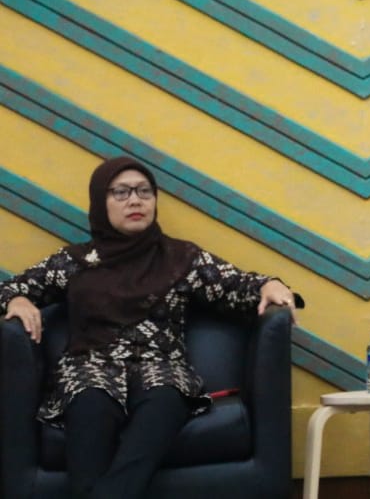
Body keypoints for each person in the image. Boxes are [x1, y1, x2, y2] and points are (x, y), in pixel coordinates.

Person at [0, 155, 297, 499]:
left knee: (163, 400)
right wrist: (17, 300)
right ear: (100, 201)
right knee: (90, 405)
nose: (135, 200)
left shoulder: (182, 259)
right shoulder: (74, 262)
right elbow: (10, 288)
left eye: (144, 191)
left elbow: (235, 285)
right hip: (89, 368)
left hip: (163, 368)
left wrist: (270, 284)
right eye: (121, 192)